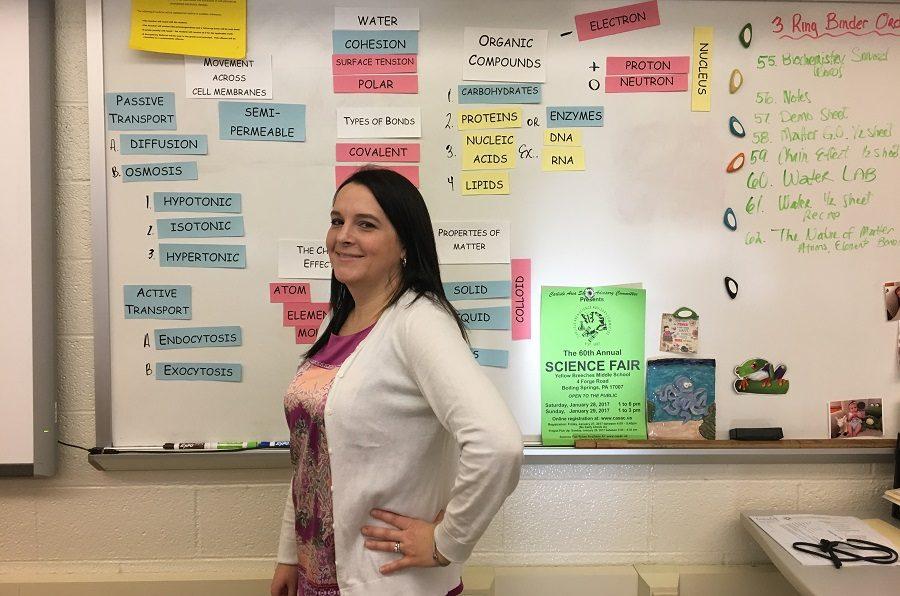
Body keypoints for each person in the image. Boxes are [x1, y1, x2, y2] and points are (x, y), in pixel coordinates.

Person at [270, 168, 523, 596]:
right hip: (318, 579)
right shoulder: (336, 320)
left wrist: (448, 543)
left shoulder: (419, 321)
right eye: (337, 221)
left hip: (387, 583)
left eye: (365, 224)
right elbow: (311, 455)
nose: (343, 236)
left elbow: (498, 445)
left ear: (405, 243)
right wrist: (290, 555)